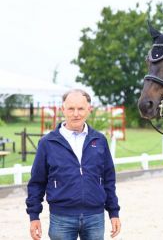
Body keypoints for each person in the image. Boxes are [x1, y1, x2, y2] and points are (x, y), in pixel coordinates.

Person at [26, 89, 121, 240]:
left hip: (95, 217)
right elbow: (37, 182)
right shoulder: (47, 143)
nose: (76, 114)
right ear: (63, 109)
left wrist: (114, 212)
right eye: (71, 108)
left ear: (89, 110)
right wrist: (34, 216)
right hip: (61, 218)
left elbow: (109, 179)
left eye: (81, 108)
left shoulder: (100, 140)